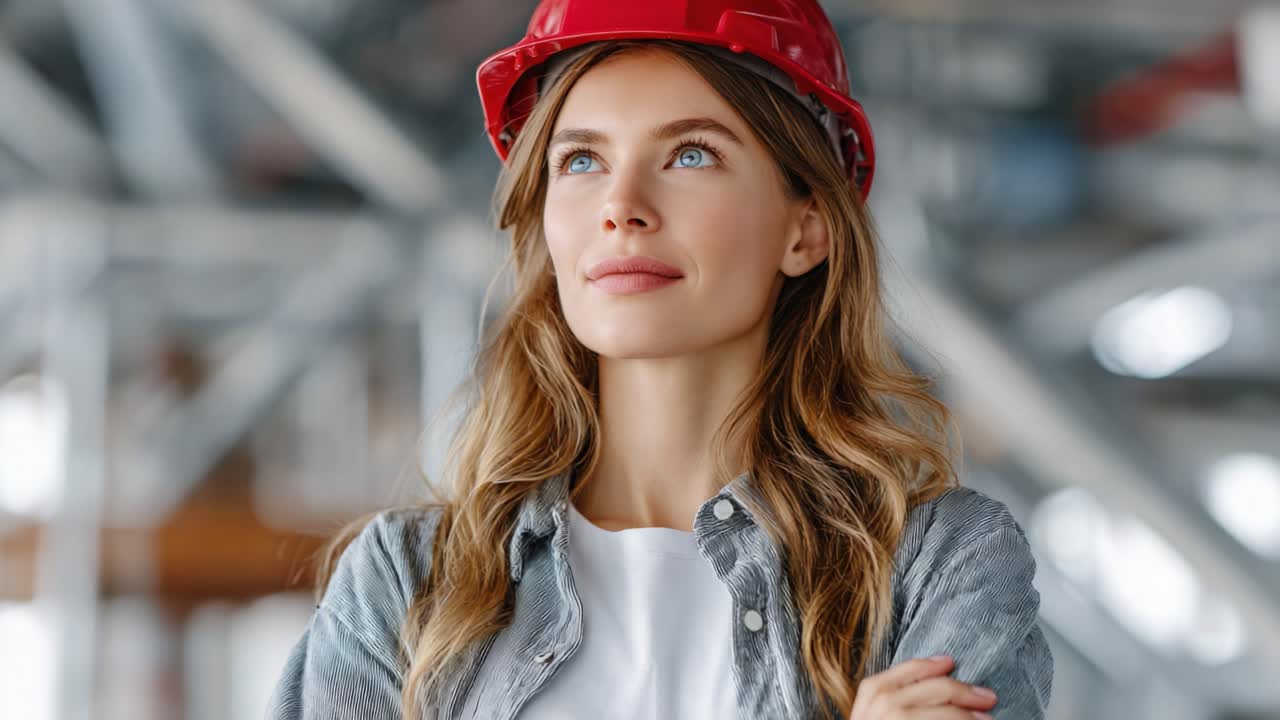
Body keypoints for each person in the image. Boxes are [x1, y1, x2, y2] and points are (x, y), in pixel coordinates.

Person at [267, 1, 1054, 718]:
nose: (621, 207)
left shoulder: (939, 565)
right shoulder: (403, 588)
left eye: (690, 155)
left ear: (805, 229)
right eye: (581, 162)